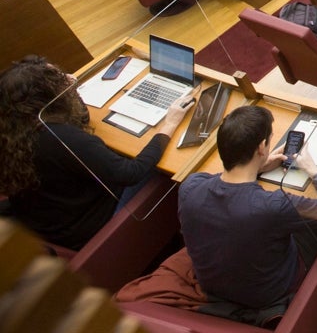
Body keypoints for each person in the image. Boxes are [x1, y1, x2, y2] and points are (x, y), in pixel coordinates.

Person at [179, 105, 317, 321]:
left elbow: (222, 180)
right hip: (270, 292)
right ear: (262, 147)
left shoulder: (190, 186)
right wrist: (312, 169)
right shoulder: (272, 205)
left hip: (216, 287)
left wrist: (259, 168)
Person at [0, 56, 193, 250]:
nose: (69, 77)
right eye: (59, 79)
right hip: (85, 227)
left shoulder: (12, 130)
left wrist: (69, 92)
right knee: (167, 167)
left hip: (47, 218)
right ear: (46, 98)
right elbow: (131, 172)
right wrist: (170, 123)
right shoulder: (62, 139)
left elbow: (82, 119)